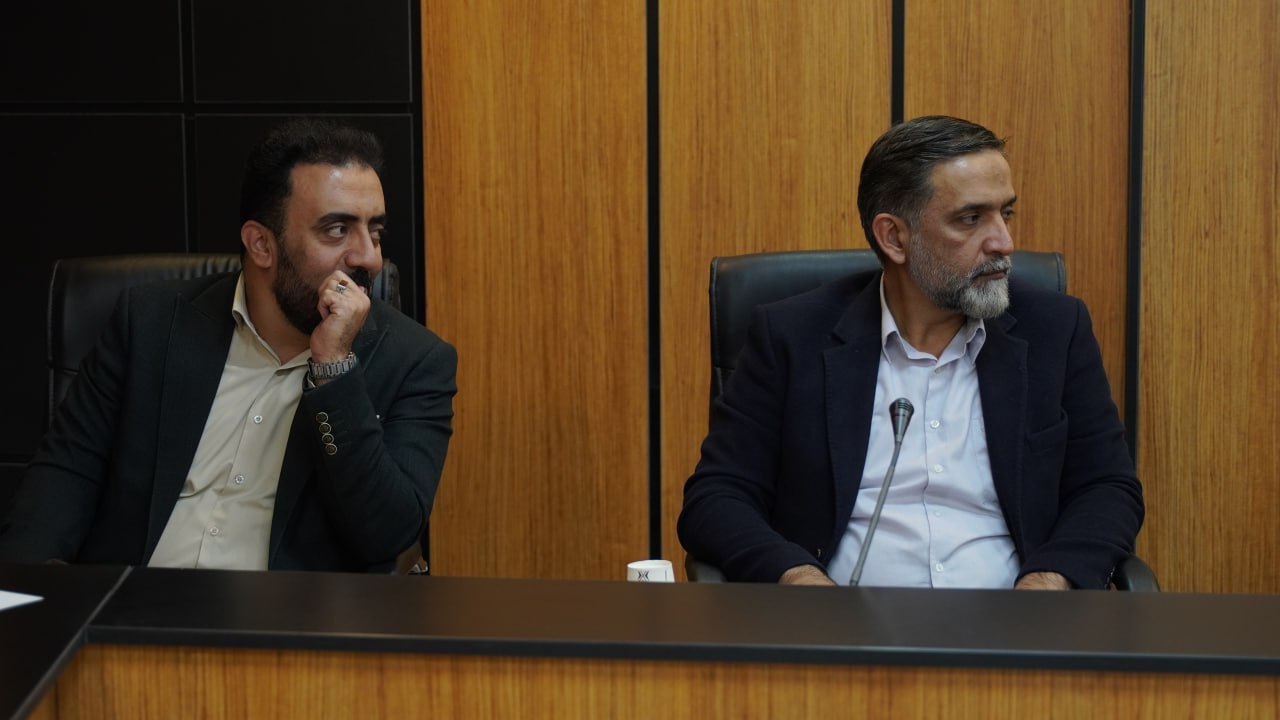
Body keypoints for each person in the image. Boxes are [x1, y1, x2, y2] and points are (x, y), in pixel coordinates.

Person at [678, 115, 1143, 590]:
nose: (1004, 242)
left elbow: (1106, 487)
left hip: (1014, 619)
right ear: (894, 237)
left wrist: (1049, 579)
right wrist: (798, 579)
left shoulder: (1054, 329)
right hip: (843, 622)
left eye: (1006, 213)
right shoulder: (792, 337)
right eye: (970, 218)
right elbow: (718, 496)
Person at [0, 119, 457, 572]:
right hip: (134, 602)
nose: (369, 258)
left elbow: (387, 535)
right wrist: (23, 598)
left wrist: (335, 369)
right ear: (261, 244)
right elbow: (65, 476)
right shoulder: (150, 323)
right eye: (337, 230)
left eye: (374, 232)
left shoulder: (415, 361)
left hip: (286, 614)